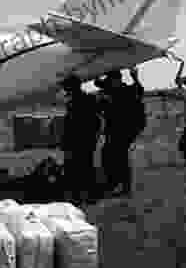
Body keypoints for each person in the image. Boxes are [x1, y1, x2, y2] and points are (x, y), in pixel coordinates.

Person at [96, 68, 146, 198]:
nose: (107, 83)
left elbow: (139, 90)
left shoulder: (126, 90)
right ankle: (113, 184)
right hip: (114, 129)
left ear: (117, 80)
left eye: (110, 80)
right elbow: (99, 84)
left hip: (125, 130)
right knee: (109, 155)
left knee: (119, 157)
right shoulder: (112, 88)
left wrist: (135, 77)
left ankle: (124, 188)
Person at [60, 75, 103, 205]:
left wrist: (65, 140)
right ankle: (90, 195)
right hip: (87, 139)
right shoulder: (89, 99)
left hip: (78, 140)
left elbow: (70, 124)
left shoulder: (74, 102)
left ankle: (79, 196)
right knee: (86, 167)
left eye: (67, 88)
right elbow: (97, 120)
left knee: (76, 168)